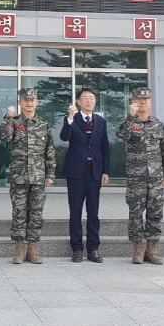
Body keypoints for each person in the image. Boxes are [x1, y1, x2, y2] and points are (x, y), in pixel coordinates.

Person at [0, 88, 56, 264]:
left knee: (36, 213)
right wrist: (8, 117)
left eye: (32, 100)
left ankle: (32, 248)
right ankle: (19, 249)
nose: (29, 103)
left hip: (38, 176)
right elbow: (3, 136)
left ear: (37, 102)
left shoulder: (44, 124)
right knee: (19, 212)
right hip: (19, 176)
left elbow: (50, 151)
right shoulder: (14, 122)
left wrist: (50, 173)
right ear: (20, 102)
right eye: (25, 100)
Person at [115, 87, 164, 265]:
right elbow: (120, 135)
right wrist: (130, 117)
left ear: (150, 102)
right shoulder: (130, 122)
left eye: (146, 99)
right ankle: (138, 248)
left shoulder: (158, 124)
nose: (142, 102)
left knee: (155, 212)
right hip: (136, 177)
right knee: (135, 213)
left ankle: (151, 249)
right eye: (139, 99)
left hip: (155, 177)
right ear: (133, 101)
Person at [60, 88, 110, 263]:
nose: (89, 101)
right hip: (75, 172)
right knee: (75, 211)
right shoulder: (73, 119)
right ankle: (76, 248)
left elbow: (105, 147)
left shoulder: (101, 121)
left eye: (92, 98)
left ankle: (93, 249)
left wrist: (106, 171)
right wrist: (70, 118)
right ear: (78, 102)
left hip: (94, 171)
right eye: (85, 98)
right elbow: (64, 137)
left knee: (93, 211)